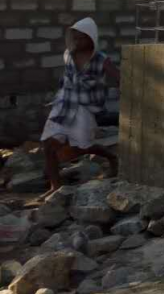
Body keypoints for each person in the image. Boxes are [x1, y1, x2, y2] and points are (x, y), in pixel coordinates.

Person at [40, 18, 120, 192]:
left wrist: (124, 90)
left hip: (85, 107)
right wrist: (54, 101)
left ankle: (111, 157)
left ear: (91, 38)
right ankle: (55, 186)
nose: (77, 42)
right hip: (64, 104)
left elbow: (118, 77)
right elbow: (65, 80)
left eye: (81, 38)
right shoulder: (69, 55)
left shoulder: (101, 59)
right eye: (75, 38)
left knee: (81, 146)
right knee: (48, 145)